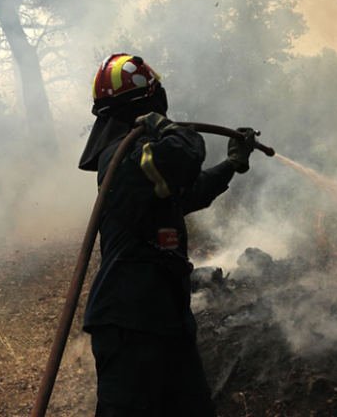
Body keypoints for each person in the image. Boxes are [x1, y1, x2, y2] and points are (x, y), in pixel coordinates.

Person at [78, 53, 256, 416]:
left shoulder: (141, 163)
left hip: (164, 321)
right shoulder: (121, 158)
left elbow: (186, 192)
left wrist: (231, 166)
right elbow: (184, 154)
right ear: (148, 101)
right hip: (130, 325)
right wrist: (167, 127)